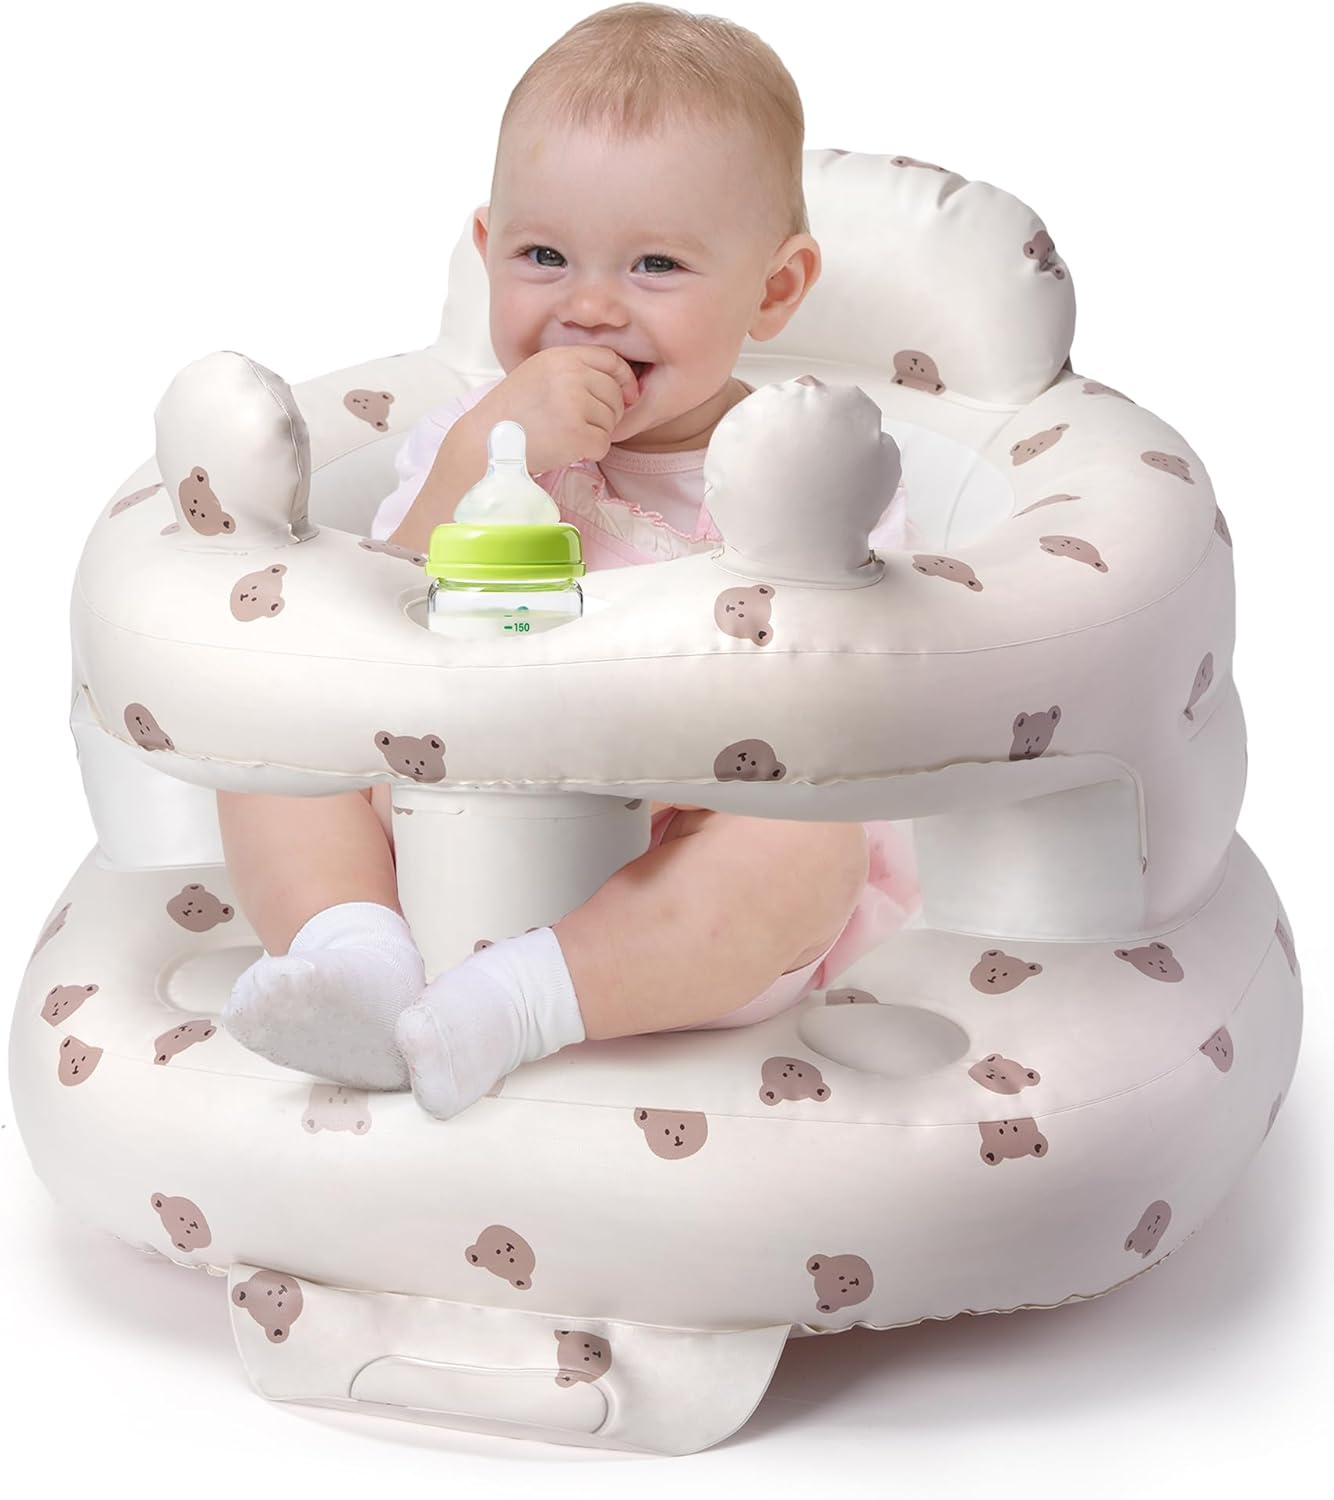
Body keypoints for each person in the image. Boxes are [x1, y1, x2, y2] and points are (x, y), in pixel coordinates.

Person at [218, 3, 922, 1121]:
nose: (589, 308)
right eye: (543, 257)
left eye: (656, 264)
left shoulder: (804, 468)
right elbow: (371, 635)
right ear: (486, 246)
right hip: (443, 827)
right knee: (270, 743)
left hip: (676, 852)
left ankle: (518, 1004)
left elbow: (855, 689)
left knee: (805, 851)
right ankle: (357, 956)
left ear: (775, 288)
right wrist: (480, 457)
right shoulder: (463, 435)